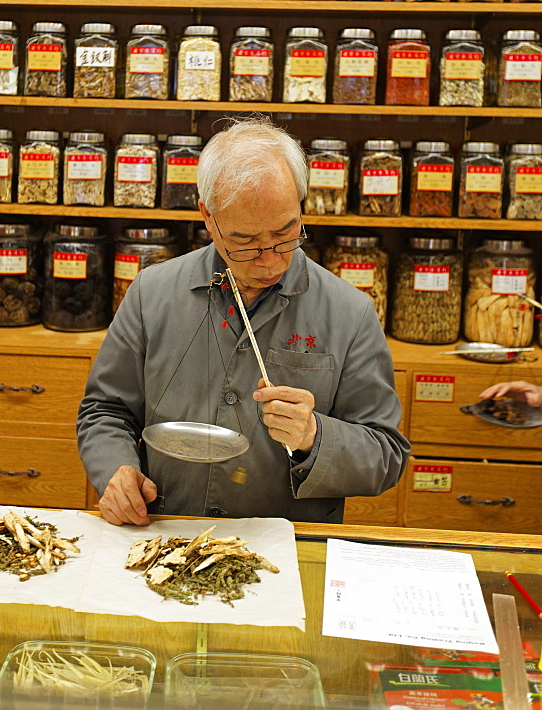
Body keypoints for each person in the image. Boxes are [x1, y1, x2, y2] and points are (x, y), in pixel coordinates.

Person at [77, 117, 410, 526]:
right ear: (207, 216)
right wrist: (115, 470)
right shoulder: (152, 292)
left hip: (285, 549)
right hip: (163, 535)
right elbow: (105, 411)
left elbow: (386, 454)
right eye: (244, 241)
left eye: (286, 234)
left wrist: (313, 437)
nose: (269, 259)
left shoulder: (350, 312)